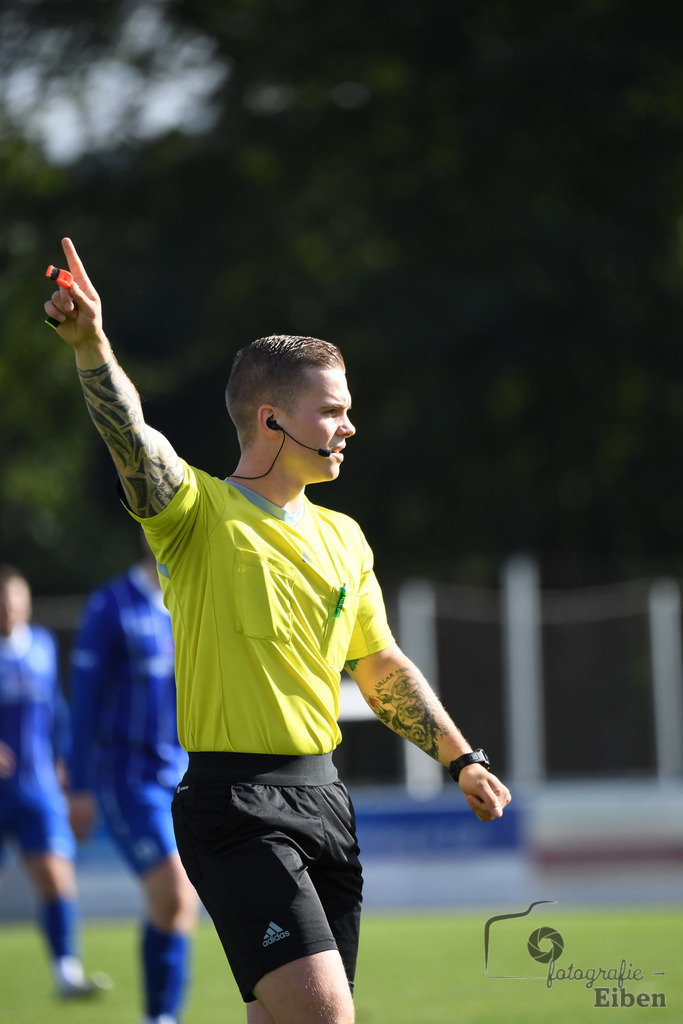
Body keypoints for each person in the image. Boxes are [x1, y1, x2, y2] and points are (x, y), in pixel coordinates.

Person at [45, 237, 512, 1024]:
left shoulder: (345, 537)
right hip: (233, 806)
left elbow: (377, 662)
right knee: (326, 1017)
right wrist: (92, 345)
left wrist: (459, 757)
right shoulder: (195, 515)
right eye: (331, 411)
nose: (348, 427)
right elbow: (132, 440)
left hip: (325, 799)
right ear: (270, 418)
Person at [68, 535, 198, 1024]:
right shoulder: (110, 606)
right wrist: (79, 786)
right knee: (175, 893)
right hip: (130, 781)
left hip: (187, 778)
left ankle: (162, 1016)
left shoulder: (194, 595)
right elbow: (84, 703)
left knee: (177, 906)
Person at [0, 564, 110, 999]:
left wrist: (66, 761)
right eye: (3, 600)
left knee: (56, 877)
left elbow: (58, 711)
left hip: (38, 787)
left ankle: (67, 971)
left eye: (15, 598)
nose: (10, 607)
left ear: (26, 603)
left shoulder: (42, 646)